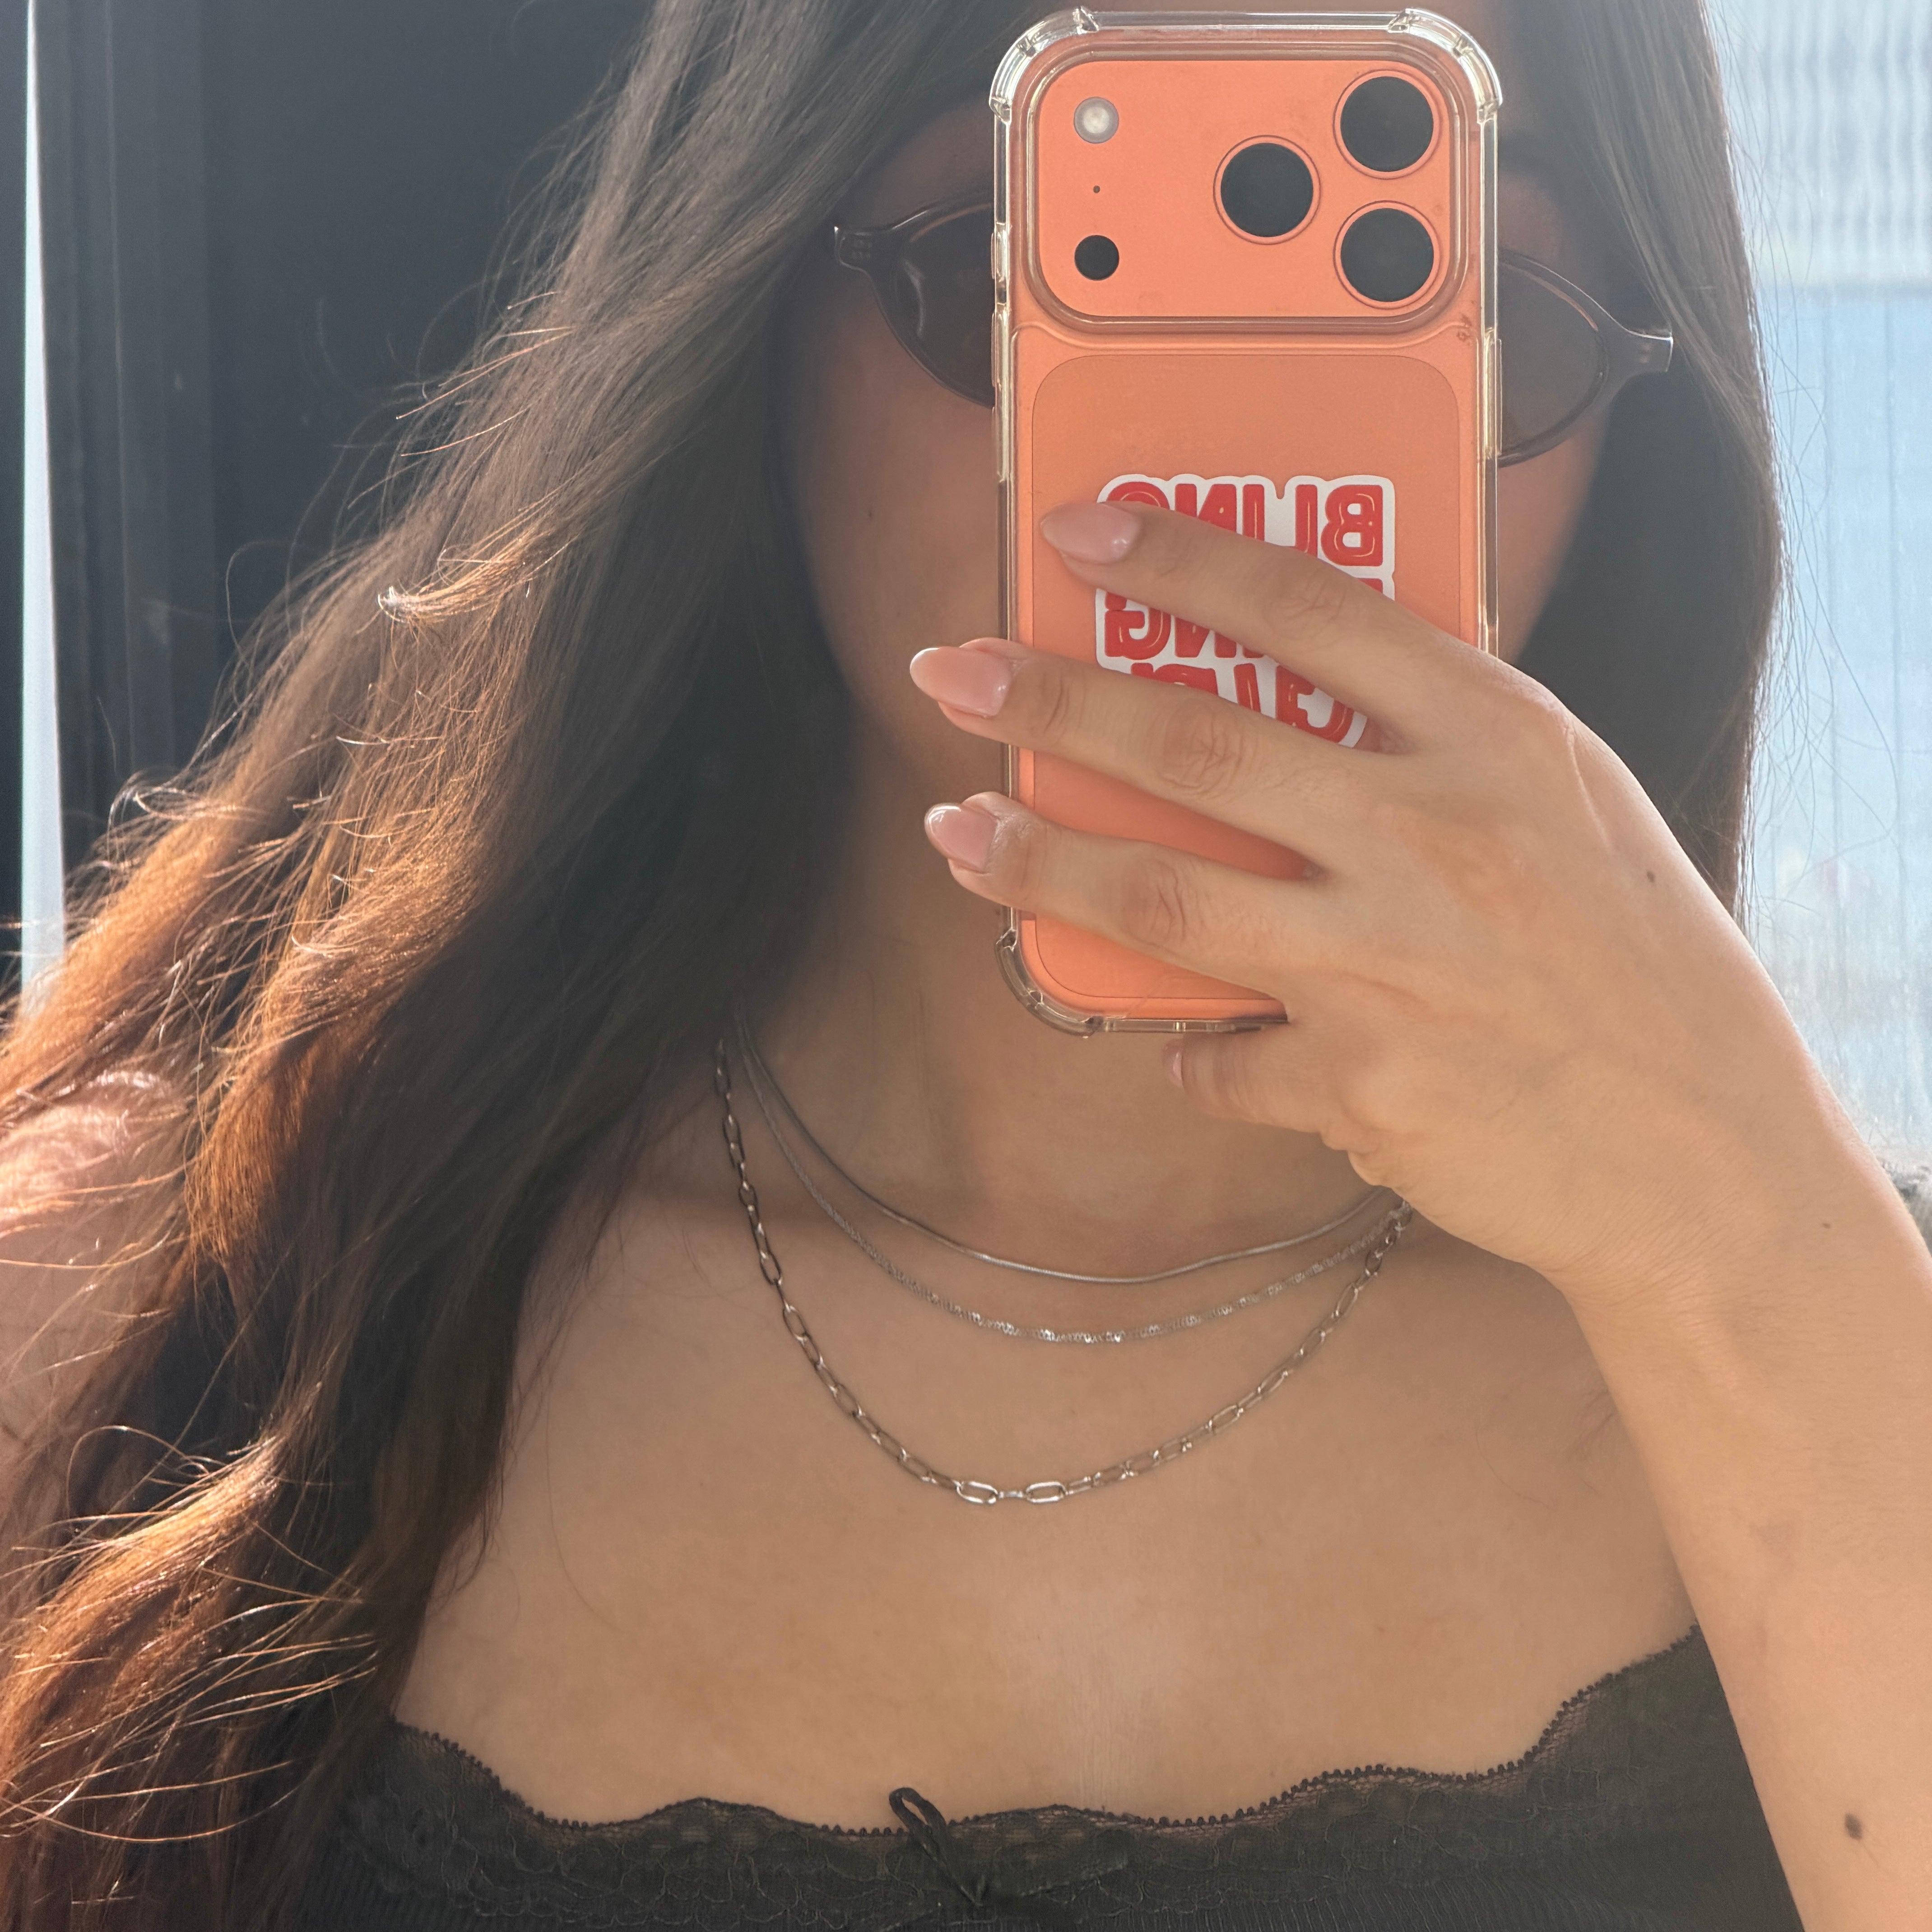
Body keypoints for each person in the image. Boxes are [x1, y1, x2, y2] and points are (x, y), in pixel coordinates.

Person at [2, 0, 1927, 1926]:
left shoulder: (1819, 1332)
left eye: (1417, 285)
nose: (1212, 472)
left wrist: (1748, 1236)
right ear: (754, 283)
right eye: (1069, 258)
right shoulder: (141, 1302)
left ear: (1631, 403)